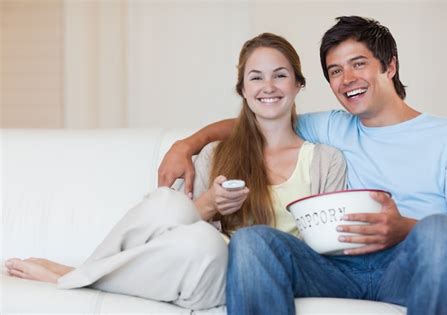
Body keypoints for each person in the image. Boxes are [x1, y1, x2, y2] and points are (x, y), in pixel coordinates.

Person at [5, 33, 347, 310]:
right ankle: (84, 271)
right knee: (169, 207)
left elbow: (322, 251)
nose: (268, 86)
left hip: (240, 279)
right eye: (255, 77)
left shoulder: (326, 160)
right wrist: (211, 203)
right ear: (243, 90)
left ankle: (72, 275)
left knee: (209, 245)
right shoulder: (216, 153)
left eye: (280, 75)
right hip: (198, 261)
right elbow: (175, 231)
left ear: (298, 84)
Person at [157, 16, 447, 315]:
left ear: (389, 65)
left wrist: (404, 229)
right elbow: (261, 117)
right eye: (335, 71)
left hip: (409, 263)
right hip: (335, 267)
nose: (347, 79)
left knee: (440, 230)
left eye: (358, 64)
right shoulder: (334, 126)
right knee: (252, 241)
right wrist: (185, 145)